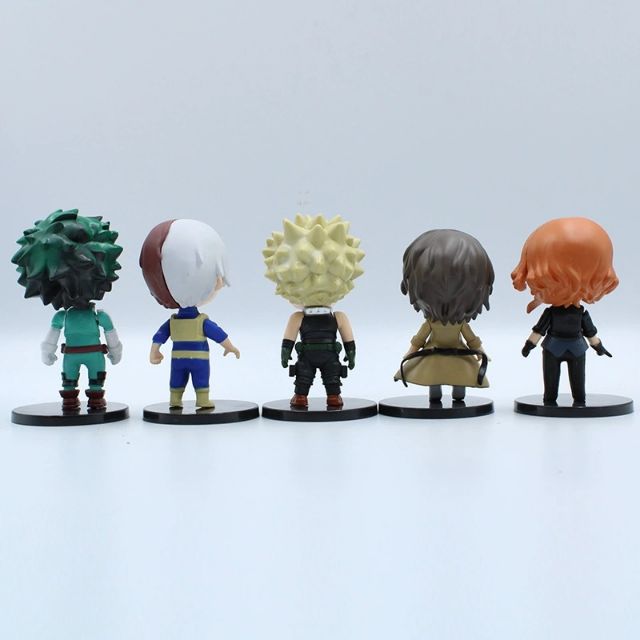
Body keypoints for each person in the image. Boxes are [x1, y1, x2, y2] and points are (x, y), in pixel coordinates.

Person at [12, 209, 123, 411]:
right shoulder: (69, 316)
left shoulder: (95, 316)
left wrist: (115, 349)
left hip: (86, 355)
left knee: (95, 379)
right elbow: (53, 337)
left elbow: (110, 334)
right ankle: (71, 400)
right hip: (76, 355)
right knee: (70, 380)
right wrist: (47, 350)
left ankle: (94, 399)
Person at [511, 217, 618, 405]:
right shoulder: (552, 313)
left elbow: (590, 332)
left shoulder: (581, 314)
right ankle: (550, 400)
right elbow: (539, 330)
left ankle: (579, 400)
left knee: (578, 379)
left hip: (575, 347)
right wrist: (529, 345)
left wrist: (598, 346)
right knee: (551, 379)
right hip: (554, 347)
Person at [263, 214, 365, 408]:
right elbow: (348, 338)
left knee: (319, 377)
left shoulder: (300, 317)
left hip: (312, 354)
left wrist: (285, 352)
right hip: (324, 354)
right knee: (316, 377)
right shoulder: (336, 317)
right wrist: (351, 352)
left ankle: (312, 397)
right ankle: (322, 397)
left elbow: (289, 337)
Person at [140, 219, 240, 409]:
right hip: (199, 359)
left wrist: (155, 350)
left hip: (178, 358)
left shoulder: (173, 322)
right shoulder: (201, 322)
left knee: (177, 378)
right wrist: (230, 346)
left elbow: (159, 336)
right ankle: (201, 399)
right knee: (201, 378)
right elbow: (218, 334)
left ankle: (175, 400)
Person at [394, 229, 494, 403]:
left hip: (446, 356)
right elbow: (419, 340)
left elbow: (472, 339)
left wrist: (480, 352)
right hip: (444, 355)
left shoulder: (452, 324)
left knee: (453, 380)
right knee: (438, 381)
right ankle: (442, 394)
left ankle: (456, 394)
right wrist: (410, 353)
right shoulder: (433, 323)